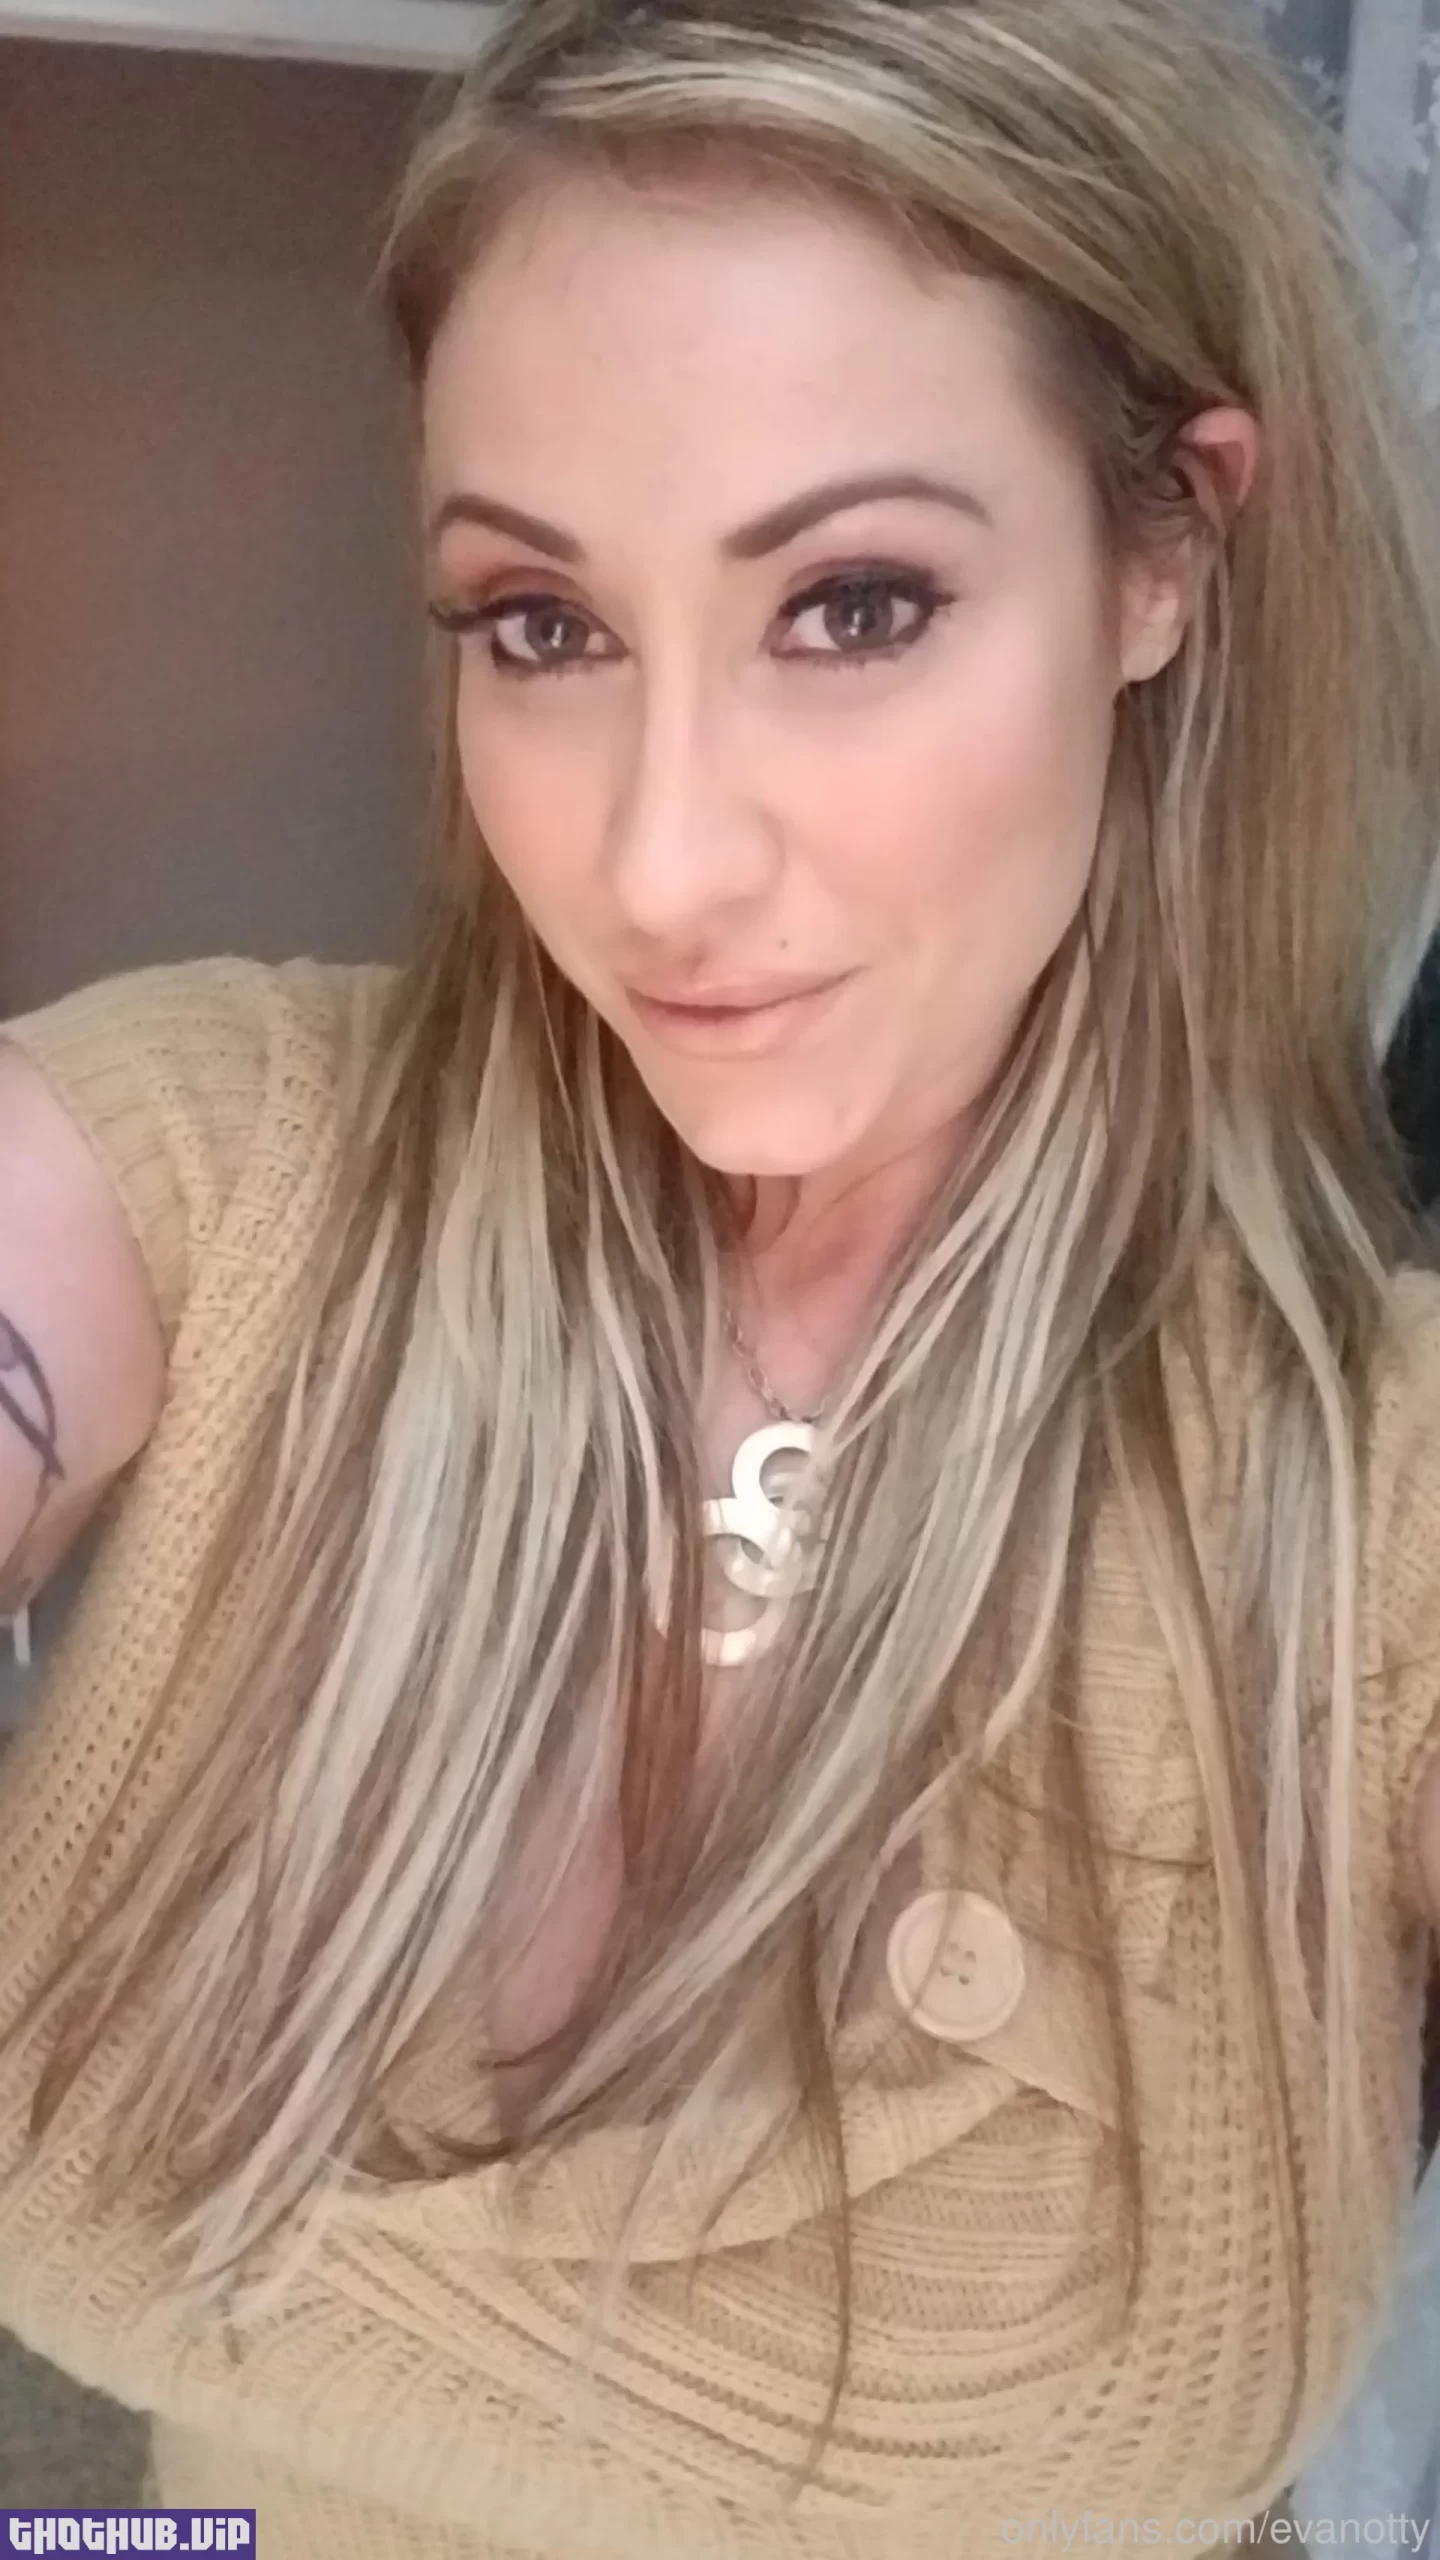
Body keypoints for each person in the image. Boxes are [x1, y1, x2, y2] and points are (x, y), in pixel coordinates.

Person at [2, 0, 1440, 2549]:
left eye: (854, 603)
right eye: (540, 623)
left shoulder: (1376, 1497)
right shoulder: (213, 1162)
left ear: (1164, 556)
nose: (658, 862)